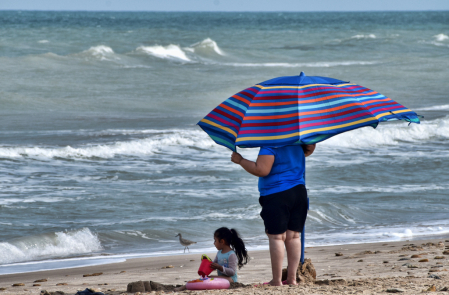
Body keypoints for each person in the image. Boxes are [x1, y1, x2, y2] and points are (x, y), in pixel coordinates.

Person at [231, 144, 316, 286]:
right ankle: (292, 279)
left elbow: (261, 169)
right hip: (299, 191)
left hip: (277, 193)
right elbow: (307, 151)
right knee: (294, 236)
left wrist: (241, 160)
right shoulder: (297, 139)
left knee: (277, 237)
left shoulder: (271, 142)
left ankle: (277, 281)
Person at [175, 227, 249, 291]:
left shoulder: (231, 255)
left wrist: (219, 267)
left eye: (215, 240)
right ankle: (185, 287)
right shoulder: (219, 253)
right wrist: (206, 263)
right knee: (205, 278)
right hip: (221, 278)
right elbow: (213, 266)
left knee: (209, 279)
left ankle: (185, 287)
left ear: (222, 241)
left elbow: (232, 272)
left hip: (231, 279)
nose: (214, 243)